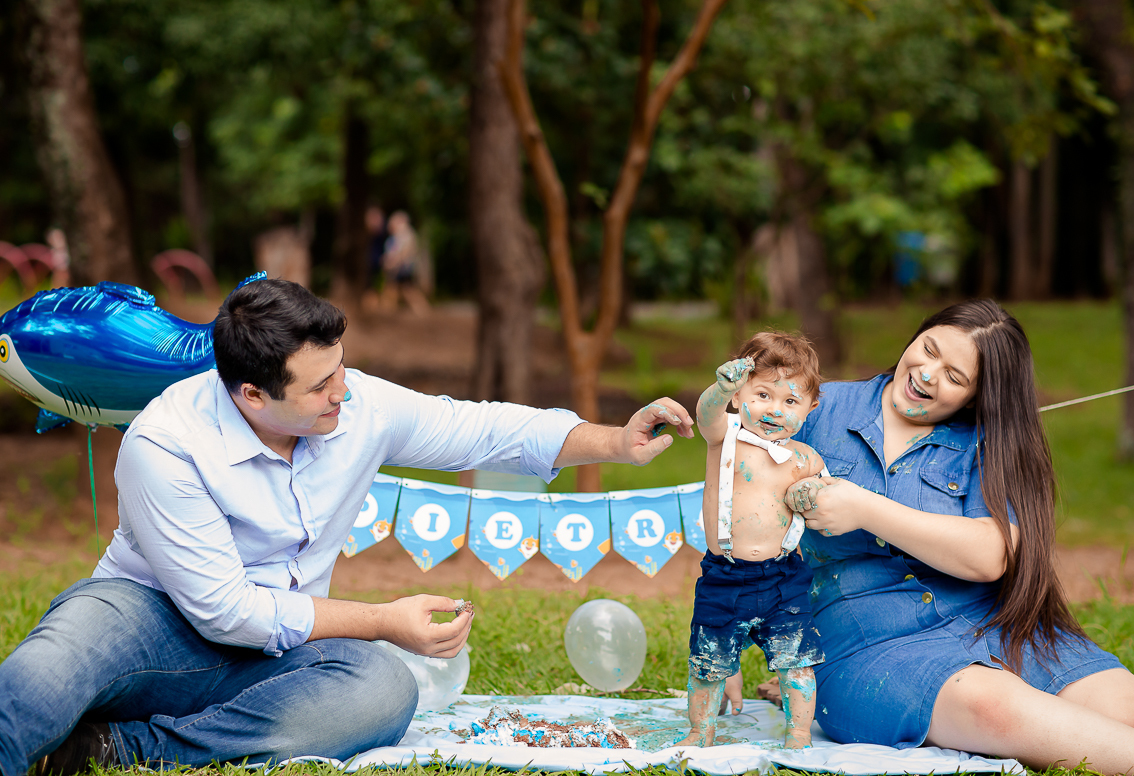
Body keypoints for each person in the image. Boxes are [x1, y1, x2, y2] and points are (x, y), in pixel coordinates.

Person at [0, 278, 695, 776]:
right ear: (251, 394)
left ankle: (122, 751)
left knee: (380, 693)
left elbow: (478, 428)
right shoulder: (165, 444)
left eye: (340, 370)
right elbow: (226, 610)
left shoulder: (353, 402)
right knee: (41, 675)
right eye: (320, 385)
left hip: (275, 654)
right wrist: (384, 620)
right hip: (146, 618)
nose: (344, 392)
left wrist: (612, 441)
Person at [730, 299, 1134, 775]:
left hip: (985, 622)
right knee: (995, 705)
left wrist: (865, 508)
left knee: (1133, 711)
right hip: (865, 643)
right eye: (928, 349)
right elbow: (735, 500)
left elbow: (993, 556)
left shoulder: (984, 441)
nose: (928, 374)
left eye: (955, 377)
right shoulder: (814, 409)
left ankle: (1049, 719)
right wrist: (729, 639)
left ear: (977, 396)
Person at [680, 332, 826, 749]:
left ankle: (799, 734)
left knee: (796, 662)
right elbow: (704, 412)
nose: (773, 410)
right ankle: (700, 730)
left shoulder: (805, 458)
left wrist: (813, 492)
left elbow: (826, 500)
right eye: (761, 394)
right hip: (725, 576)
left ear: (810, 408)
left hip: (785, 578)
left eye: (790, 401)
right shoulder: (724, 434)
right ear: (739, 394)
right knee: (709, 663)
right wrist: (719, 388)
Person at [380, 211, 430, 315]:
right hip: (398, 269)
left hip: (402, 269)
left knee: (406, 290)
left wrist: (392, 263)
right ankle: (388, 311)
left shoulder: (406, 235)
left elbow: (404, 253)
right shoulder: (397, 237)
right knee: (393, 290)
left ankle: (423, 311)